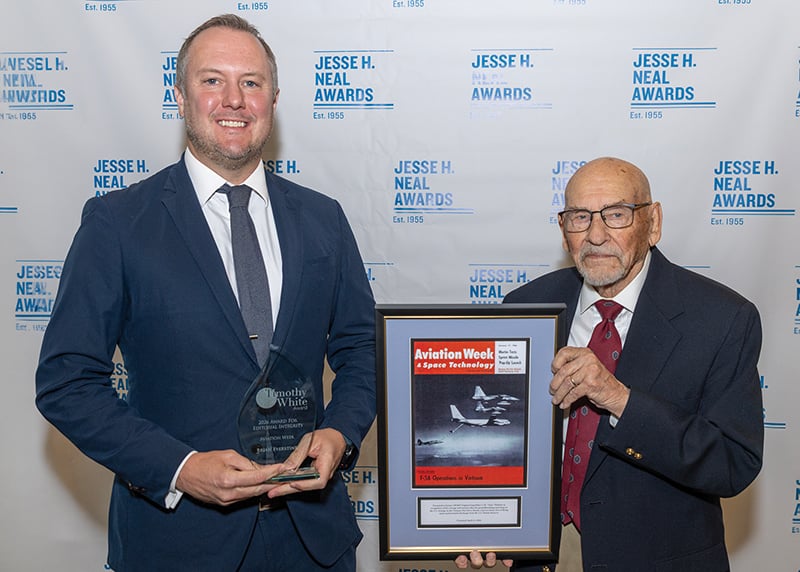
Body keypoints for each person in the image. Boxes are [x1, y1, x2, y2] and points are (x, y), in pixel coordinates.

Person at [35, 14, 376, 572]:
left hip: (313, 542)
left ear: (273, 98)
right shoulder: (118, 224)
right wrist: (180, 466)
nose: (234, 99)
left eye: (251, 82)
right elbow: (66, 382)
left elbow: (362, 349)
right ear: (180, 96)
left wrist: (341, 432)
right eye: (212, 80)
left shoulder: (324, 220)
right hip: (176, 543)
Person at [456, 157, 763, 571]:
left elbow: (732, 464)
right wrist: (482, 523)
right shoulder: (524, 307)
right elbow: (502, 434)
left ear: (653, 223)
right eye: (580, 217)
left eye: (616, 215)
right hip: (538, 557)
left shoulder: (723, 318)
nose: (596, 234)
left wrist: (619, 399)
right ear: (564, 231)